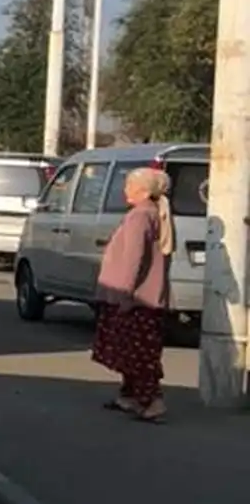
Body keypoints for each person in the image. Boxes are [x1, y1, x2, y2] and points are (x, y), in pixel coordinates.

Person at [91, 165, 173, 422]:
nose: (125, 189)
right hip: (146, 297)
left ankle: (151, 400)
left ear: (143, 190)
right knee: (132, 349)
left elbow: (133, 259)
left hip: (136, 298)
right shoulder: (153, 213)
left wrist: (124, 293)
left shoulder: (140, 216)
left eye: (129, 185)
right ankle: (129, 396)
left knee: (138, 353)